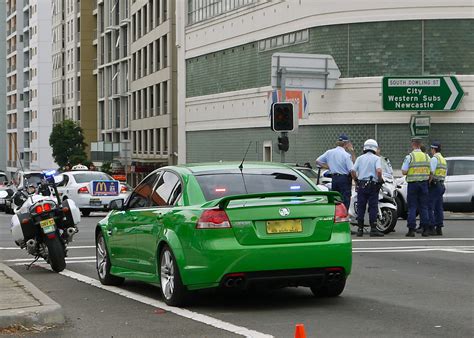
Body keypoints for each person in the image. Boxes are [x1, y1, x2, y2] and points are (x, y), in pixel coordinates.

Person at [351, 139, 385, 237]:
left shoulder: (360, 158)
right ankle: (373, 229)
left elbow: (352, 171)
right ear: (375, 148)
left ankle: (360, 229)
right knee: (373, 206)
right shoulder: (376, 158)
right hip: (372, 185)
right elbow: (378, 171)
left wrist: (356, 180)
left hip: (361, 185)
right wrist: (380, 180)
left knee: (361, 207)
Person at [401, 137, 431, 237]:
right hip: (424, 184)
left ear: (413, 144)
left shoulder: (410, 157)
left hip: (413, 184)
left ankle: (411, 230)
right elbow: (431, 172)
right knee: (424, 207)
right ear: (420, 144)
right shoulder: (427, 157)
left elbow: (404, 171)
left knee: (412, 207)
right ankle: (425, 229)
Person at [316, 134, 354, 209]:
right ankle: (344, 215)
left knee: (336, 199)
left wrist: (329, 167)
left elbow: (318, 161)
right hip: (344, 179)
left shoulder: (329, 152)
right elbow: (351, 169)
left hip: (334, 178)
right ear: (346, 144)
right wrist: (352, 151)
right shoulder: (346, 155)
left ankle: (336, 215)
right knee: (345, 199)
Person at [428, 141, 447, 236]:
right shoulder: (443, 159)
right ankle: (439, 228)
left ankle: (431, 228)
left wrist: (428, 182)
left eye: (431, 149)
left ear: (433, 149)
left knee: (429, 206)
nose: (431, 151)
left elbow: (431, 173)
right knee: (439, 207)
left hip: (435, 185)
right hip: (441, 185)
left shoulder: (434, 159)